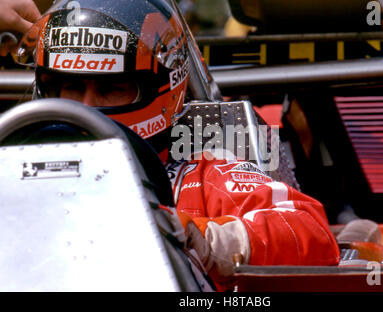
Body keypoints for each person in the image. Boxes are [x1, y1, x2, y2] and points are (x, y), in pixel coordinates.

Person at [18, 0, 340, 290]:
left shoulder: (201, 177)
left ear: (163, 88)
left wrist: (207, 240)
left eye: (110, 88)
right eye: (70, 86)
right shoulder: (14, 171)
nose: (86, 107)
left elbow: (313, 233)